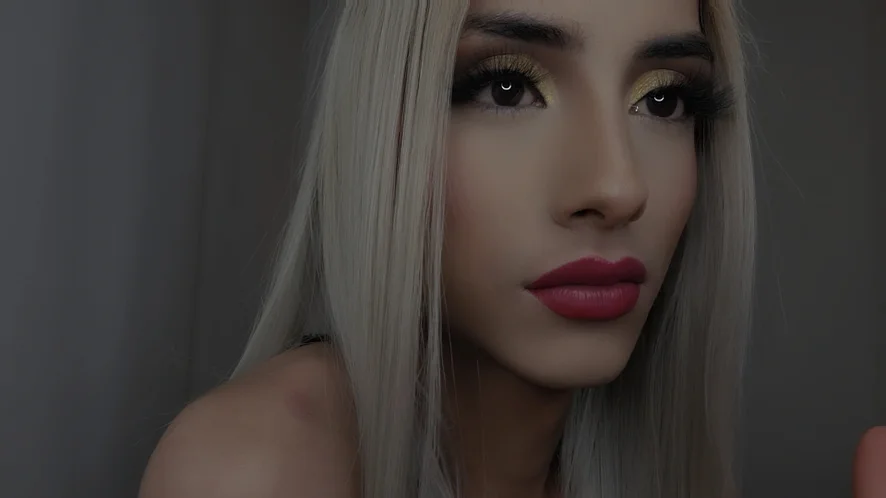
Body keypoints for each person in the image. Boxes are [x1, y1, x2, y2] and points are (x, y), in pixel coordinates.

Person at [137, 0, 883, 497]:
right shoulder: (258, 469)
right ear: (382, 125)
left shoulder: (648, 471)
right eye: (506, 89)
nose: (618, 187)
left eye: (663, 99)